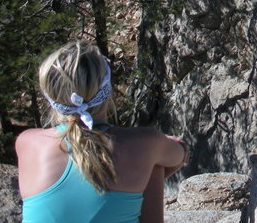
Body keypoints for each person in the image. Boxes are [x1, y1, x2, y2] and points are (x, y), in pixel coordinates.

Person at [15, 41, 188, 223]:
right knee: (154, 164)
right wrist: (156, 147)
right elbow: (181, 153)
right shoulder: (145, 143)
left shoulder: (27, 142)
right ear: (107, 91)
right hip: (147, 152)